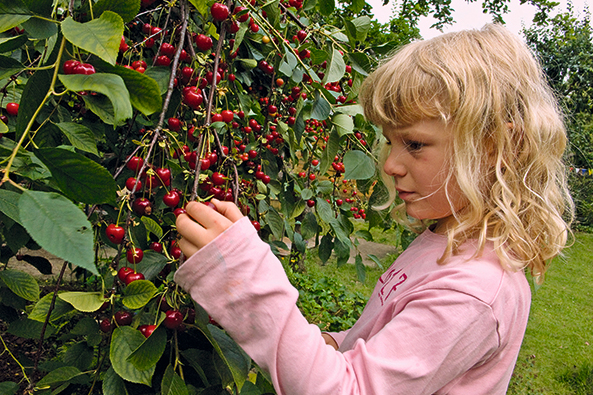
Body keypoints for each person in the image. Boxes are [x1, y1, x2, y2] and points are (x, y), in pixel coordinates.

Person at [174, 23, 573, 394]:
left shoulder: (473, 291)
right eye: (390, 141)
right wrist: (338, 342)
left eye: (414, 144)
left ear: (492, 149)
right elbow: (391, 336)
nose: (389, 164)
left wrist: (247, 284)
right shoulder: (445, 239)